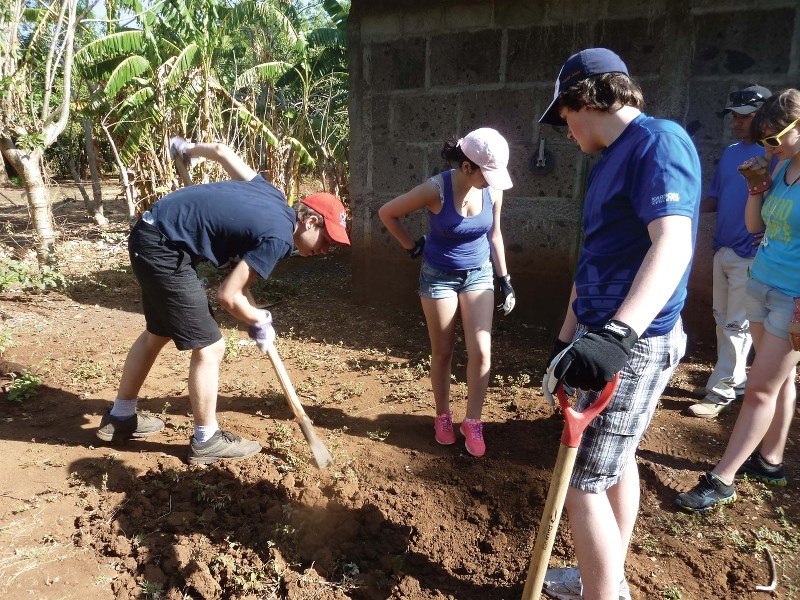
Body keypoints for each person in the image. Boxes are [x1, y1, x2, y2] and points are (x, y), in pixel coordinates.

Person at [538, 49, 701, 600]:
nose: (564, 129)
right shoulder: (609, 158)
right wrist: (567, 334)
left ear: (585, 98)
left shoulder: (658, 141)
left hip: (636, 341)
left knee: (583, 479)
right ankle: (600, 578)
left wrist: (618, 334)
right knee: (617, 460)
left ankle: (605, 594)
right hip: (606, 331)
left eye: (563, 115)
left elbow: (674, 242)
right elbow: (596, 258)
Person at [95, 138, 351, 465]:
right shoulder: (277, 237)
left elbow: (220, 152)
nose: (326, 251)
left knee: (158, 333)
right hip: (163, 249)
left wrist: (187, 149)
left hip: (150, 234)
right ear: (311, 221)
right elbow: (228, 296)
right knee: (211, 347)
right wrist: (260, 321)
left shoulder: (272, 196)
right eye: (327, 240)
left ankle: (120, 417)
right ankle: (206, 439)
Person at [676, 88, 800, 511]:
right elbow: (754, 226)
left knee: (760, 390)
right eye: (764, 138)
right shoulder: (782, 168)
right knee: (779, 380)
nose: (767, 146)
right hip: (763, 282)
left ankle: (722, 478)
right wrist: (756, 186)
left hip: (792, 298)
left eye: (774, 137)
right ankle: (770, 460)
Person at [378, 128, 515, 458]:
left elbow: (495, 235)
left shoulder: (493, 191)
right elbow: (388, 213)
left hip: (478, 274)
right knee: (442, 351)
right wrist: (412, 247)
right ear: (467, 167)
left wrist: (504, 277)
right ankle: (443, 416)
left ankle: (473, 421)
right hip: (438, 277)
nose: (493, 181)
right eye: (487, 173)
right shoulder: (435, 189)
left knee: (481, 351)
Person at [688, 85, 773, 418]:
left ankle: (723, 391)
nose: (736, 123)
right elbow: (716, 198)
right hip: (723, 248)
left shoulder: (772, 156)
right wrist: (684, 208)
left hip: (750, 255)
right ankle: (729, 382)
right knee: (723, 319)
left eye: (744, 116)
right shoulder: (731, 152)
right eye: (733, 116)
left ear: (763, 115)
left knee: (737, 324)